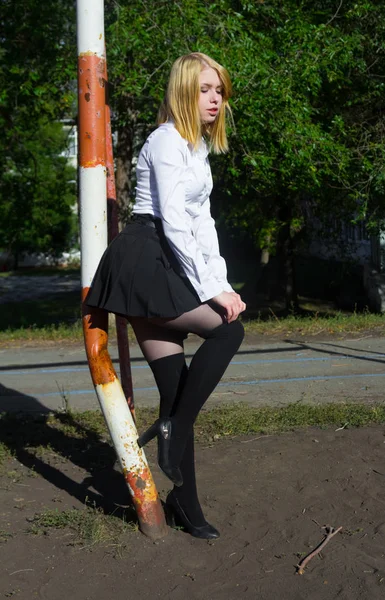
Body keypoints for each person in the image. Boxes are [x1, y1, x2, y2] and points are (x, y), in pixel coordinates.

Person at [85, 52, 246, 539]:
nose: (215, 99)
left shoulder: (195, 148)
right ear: (182, 91)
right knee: (227, 330)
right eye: (204, 89)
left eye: (218, 90)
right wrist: (213, 291)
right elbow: (175, 221)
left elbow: (203, 223)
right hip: (146, 256)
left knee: (176, 392)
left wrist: (221, 279)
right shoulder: (166, 140)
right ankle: (173, 431)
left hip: (164, 259)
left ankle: (186, 502)